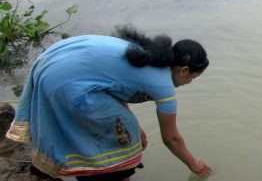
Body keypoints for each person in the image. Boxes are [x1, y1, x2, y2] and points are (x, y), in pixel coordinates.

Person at [5, 25, 213, 181]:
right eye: (192, 78)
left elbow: (111, 85)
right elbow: (171, 138)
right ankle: (102, 172)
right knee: (123, 142)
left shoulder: (150, 56)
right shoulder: (163, 85)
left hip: (56, 59)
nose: (189, 83)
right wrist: (193, 163)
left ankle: (81, 168)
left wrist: (136, 126)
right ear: (183, 70)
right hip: (66, 78)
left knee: (129, 129)